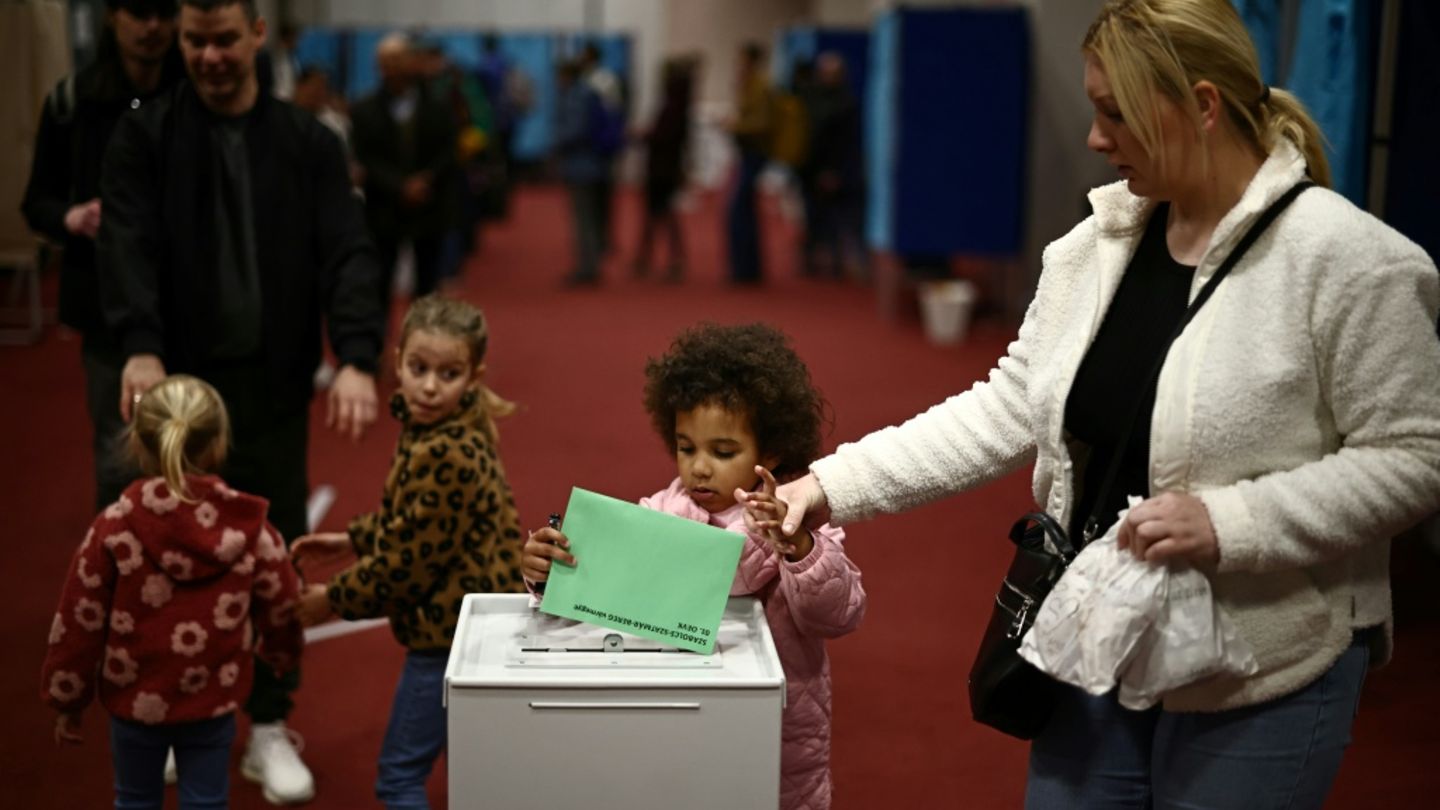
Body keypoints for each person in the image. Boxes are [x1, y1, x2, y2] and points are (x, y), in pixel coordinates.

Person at [763, 2, 1440, 807]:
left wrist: (1232, 523)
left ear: (1203, 106)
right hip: (1096, 639)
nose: (1094, 137)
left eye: (1115, 113)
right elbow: (1006, 407)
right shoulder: (1094, 249)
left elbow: (1413, 458)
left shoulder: (1352, 263)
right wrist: (828, 484)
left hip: (1263, 669)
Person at [97, 0, 384, 802]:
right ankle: (165, 717)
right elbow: (126, 243)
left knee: (273, 557)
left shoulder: (309, 142)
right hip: (177, 392)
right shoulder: (144, 135)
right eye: (195, 41)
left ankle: (267, 726)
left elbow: (348, 251)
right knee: (166, 558)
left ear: (259, 33)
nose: (210, 56)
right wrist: (140, 342)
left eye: (225, 39)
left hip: (273, 387)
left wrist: (357, 356)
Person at [523, 323, 866, 810]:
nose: (699, 467)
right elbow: (605, 595)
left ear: (770, 453)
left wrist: (799, 549)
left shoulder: (798, 519)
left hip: (778, 729)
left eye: (723, 452)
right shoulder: (662, 511)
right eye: (687, 448)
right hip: (676, 715)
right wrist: (549, 571)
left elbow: (839, 614)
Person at [290, 294, 528, 810]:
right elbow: (422, 521)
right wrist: (354, 539)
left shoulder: (444, 450)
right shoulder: (446, 428)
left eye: (448, 374)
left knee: (399, 778)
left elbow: (408, 564)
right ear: (396, 362)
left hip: (448, 636)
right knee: (480, 772)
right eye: (419, 369)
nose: (429, 386)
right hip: (477, 624)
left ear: (473, 377)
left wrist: (332, 599)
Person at [40, 375, 303, 810]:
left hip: (133, 707)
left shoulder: (113, 527)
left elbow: (78, 620)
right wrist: (282, 653)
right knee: (207, 801)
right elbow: (283, 602)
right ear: (218, 444)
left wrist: (67, 698)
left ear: (137, 444)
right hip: (212, 702)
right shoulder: (248, 527)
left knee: (135, 800)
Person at [21, 0, 184, 514]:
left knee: (194, 450)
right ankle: (122, 557)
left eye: (163, 14)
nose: (152, 26)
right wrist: (70, 217)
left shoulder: (195, 94)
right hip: (105, 305)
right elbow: (37, 201)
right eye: (140, 12)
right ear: (113, 16)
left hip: (189, 301)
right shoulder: (74, 101)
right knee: (122, 457)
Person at [350, 33, 459, 324]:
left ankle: (424, 340)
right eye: (386, 62)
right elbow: (365, 156)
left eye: (398, 60)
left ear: (412, 62)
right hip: (384, 209)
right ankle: (377, 342)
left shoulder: (439, 106)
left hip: (430, 205)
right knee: (379, 283)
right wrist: (400, 186)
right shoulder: (363, 110)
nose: (393, 68)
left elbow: (449, 150)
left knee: (427, 285)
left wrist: (426, 180)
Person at [632, 57, 695, 281]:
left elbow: (663, 136)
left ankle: (656, 259)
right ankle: (654, 258)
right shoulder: (681, 106)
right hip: (668, 168)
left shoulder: (671, 107)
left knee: (659, 215)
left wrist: (645, 135)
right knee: (662, 216)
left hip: (660, 169)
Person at [555, 58, 608, 286]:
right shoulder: (589, 93)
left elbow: (575, 130)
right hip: (592, 163)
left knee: (582, 218)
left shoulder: (576, 97)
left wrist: (556, 141)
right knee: (589, 217)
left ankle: (587, 267)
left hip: (581, 164)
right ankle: (590, 263)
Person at [727, 43, 775, 285]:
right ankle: (744, 268)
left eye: (742, 59)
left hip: (755, 152)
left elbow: (762, 123)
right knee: (742, 211)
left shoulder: (761, 85)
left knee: (739, 211)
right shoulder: (749, 84)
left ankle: (747, 269)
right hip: (747, 152)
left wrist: (735, 126)